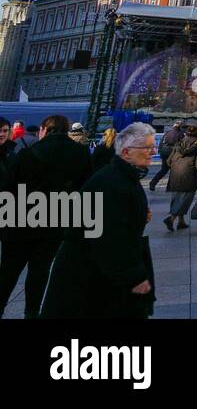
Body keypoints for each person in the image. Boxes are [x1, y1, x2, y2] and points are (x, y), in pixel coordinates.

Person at [40, 122, 157, 319]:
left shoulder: (123, 176)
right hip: (88, 279)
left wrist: (138, 215)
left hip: (98, 273)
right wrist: (134, 277)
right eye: (147, 148)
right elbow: (108, 236)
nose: (153, 151)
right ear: (127, 152)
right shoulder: (111, 181)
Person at [0, 114, 93, 318]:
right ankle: (32, 313)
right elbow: (86, 188)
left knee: (8, 272)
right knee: (40, 271)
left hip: (19, 223)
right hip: (55, 223)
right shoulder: (81, 154)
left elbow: (7, 187)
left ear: (44, 129)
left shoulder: (27, 154)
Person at [163, 125, 197, 232]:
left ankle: (181, 222)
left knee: (177, 197)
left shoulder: (179, 143)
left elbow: (169, 161)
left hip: (175, 173)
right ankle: (171, 218)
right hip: (189, 174)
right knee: (185, 199)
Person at [148, 122, 184, 191]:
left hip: (164, 152)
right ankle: (169, 187)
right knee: (173, 170)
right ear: (180, 127)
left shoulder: (167, 132)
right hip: (173, 153)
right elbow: (181, 145)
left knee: (164, 169)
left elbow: (162, 142)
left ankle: (153, 182)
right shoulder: (180, 134)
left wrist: (160, 151)